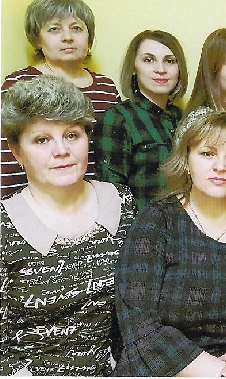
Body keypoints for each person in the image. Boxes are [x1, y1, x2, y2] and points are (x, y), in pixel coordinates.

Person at [114, 110, 226, 377]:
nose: (220, 166)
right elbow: (139, 324)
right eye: (207, 153)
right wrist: (221, 374)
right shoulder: (156, 221)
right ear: (187, 162)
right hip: (167, 370)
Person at [0, 76, 135, 376]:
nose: (61, 150)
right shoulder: (5, 225)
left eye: (72, 135)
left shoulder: (121, 203)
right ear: (17, 151)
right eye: (42, 139)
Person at [1, 0, 121, 195]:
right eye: (54, 29)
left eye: (76, 28)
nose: (67, 37)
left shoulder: (106, 87)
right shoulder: (20, 84)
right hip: (39, 202)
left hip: (98, 200)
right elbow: (8, 160)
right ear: (37, 39)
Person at [93, 30, 188, 210]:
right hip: (143, 225)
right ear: (134, 69)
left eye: (170, 61)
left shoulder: (185, 118)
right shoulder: (118, 119)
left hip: (188, 223)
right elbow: (113, 195)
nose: (161, 69)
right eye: (148, 60)